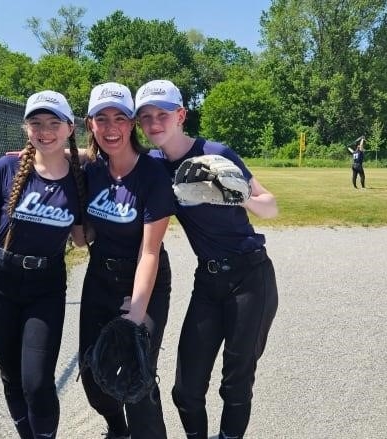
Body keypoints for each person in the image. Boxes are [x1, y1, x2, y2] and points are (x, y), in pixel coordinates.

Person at [135, 79, 279, 439]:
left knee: (236, 381)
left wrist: (234, 194)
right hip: (209, 281)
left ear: (181, 115)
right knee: (185, 390)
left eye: (163, 114)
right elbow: (111, 157)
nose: (154, 124)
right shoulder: (153, 165)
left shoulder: (215, 152)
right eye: (146, 117)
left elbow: (270, 207)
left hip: (251, 276)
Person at [0, 90, 86, 439]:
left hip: (44, 286)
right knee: (11, 376)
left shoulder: (79, 178)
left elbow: (79, 239)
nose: (44, 131)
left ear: (69, 128)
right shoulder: (7, 167)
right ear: (25, 128)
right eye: (36, 123)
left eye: (53, 123)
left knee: (37, 381)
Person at [78, 82, 175, 439]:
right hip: (98, 277)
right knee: (93, 374)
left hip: (144, 278)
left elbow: (149, 251)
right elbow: (56, 159)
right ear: (90, 124)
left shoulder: (152, 173)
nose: (111, 127)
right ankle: (117, 429)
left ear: (132, 123)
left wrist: (136, 311)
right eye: (101, 118)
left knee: (136, 374)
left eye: (120, 117)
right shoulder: (91, 169)